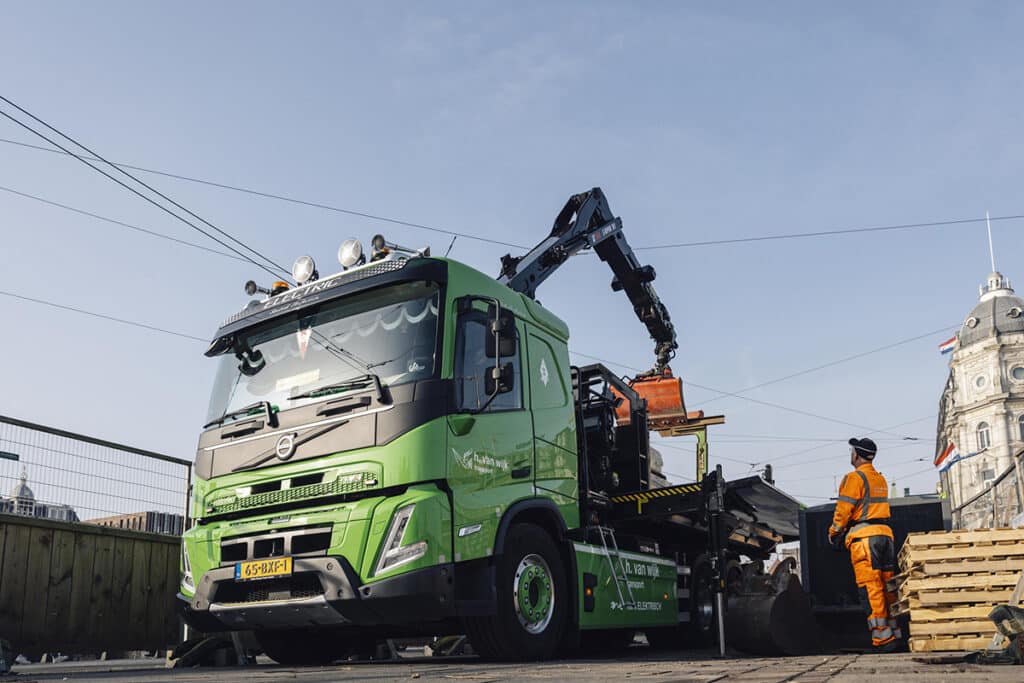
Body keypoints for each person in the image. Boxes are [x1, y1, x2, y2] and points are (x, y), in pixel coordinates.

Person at [828, 437, 903, 652]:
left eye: (852, 451)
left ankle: (882, 640)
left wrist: (834, 532)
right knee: (889, 587)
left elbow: (843, 511)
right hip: (885, 536)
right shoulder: (880, 479)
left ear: (857, 455)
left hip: (864, 539)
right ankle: (894, 633)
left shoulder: (854, 478)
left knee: (871, 588)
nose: (850, 454)